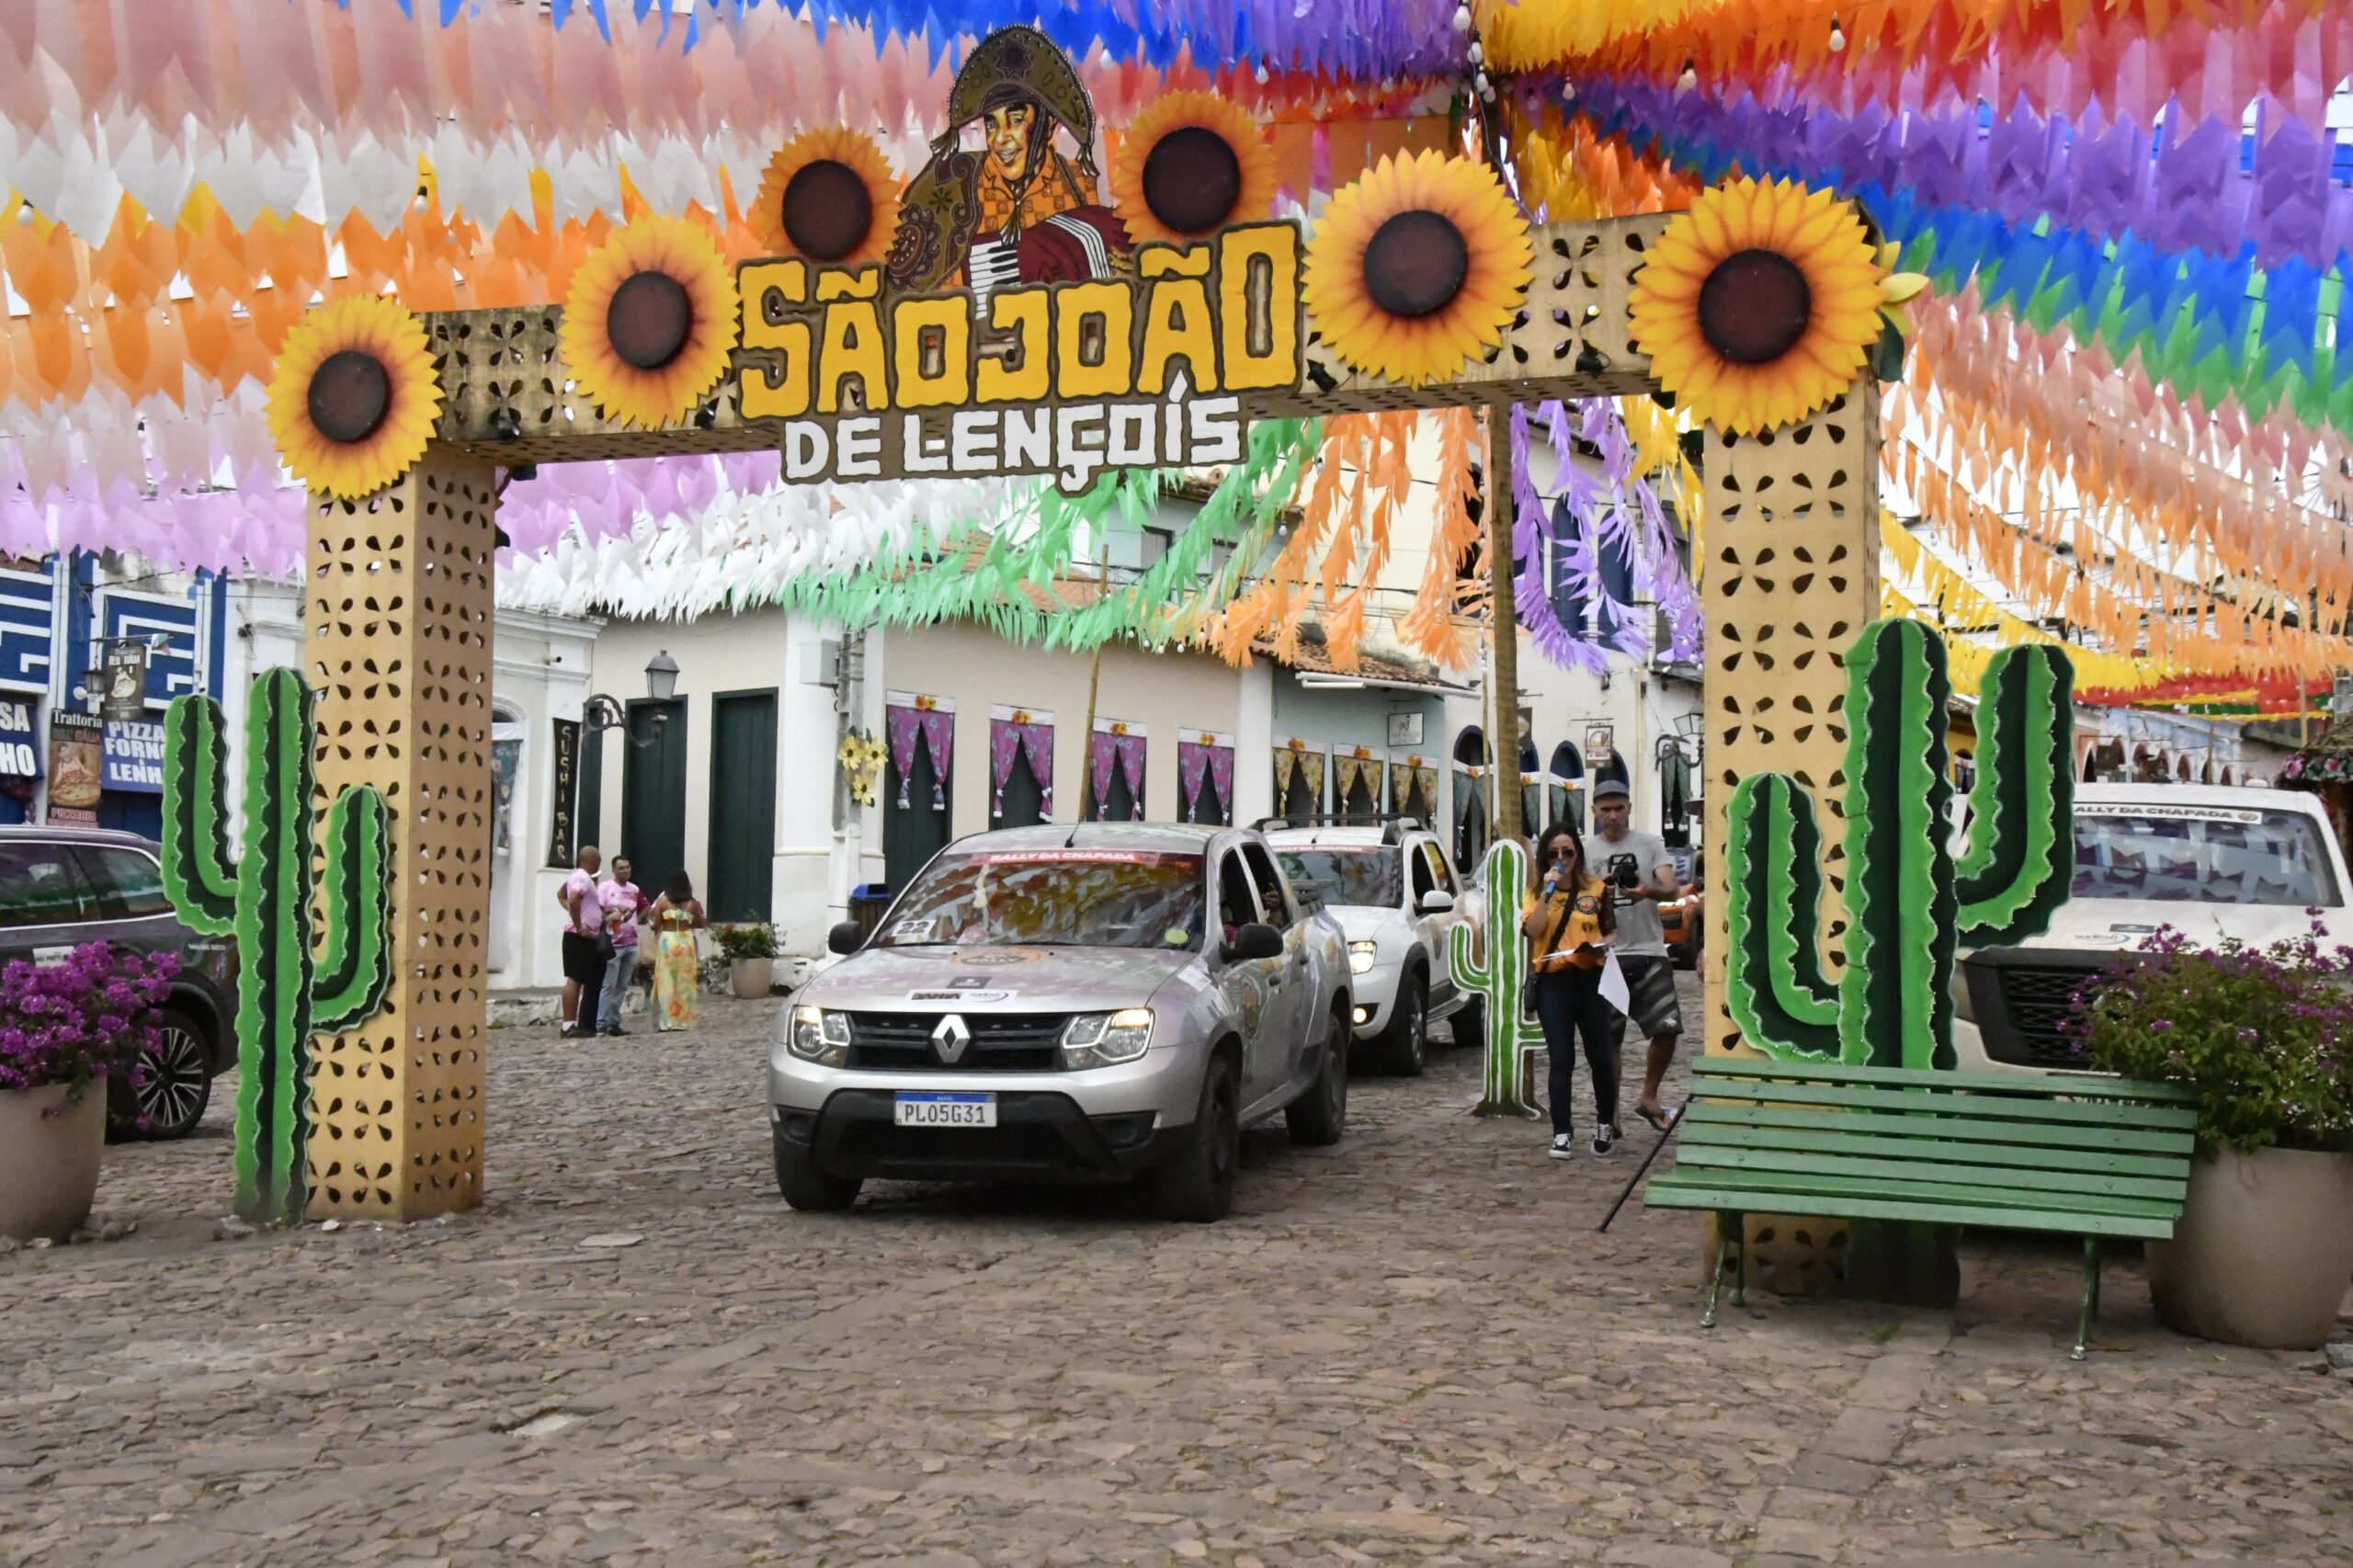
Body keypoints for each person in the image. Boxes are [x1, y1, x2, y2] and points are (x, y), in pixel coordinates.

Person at [883, 25, 1132, 312]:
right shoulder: (950, 184)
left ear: (1047, 125)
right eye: (992, 124)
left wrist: (1130, 279)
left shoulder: (1082, 182)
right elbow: (906, 296)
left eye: (1015, 120)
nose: (1000, 138)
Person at [1520, 822, 1621, 1158]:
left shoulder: (1596, 888)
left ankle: (1605, 1123)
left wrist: (1599, 948)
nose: (1561, 858)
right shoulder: (1536, 891)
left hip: (1590, 978)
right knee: (1561, 1058)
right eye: (1553, 853)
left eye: (1568, 852)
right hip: (1553, 980)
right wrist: (1547, 895)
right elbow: (1533, 931)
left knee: (1601, 1057)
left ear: (1578, 853)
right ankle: (1561, 1131)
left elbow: (1610, 932)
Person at [1590, 778, 1687, 1130]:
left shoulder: (1649, 845)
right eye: (1606, 809)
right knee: (1608, 1039)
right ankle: (1611, 1111)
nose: (1613, 815)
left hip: (1649, 950)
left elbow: (1671, 887)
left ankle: (1649, 1095)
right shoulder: (1584, 851)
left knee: (1668, 1027)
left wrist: (1647, 891)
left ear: (1629, 808)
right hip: (1606, 957)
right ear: (1595, 812)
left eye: (1619, 808)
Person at [557, 846, 608, 1040]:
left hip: (590, 936)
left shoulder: (579, 877)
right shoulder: (582, 877)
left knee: (588, 978)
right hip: (578, 935)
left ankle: (585, 1025)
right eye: (598, 861)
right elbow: (573, 898)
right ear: (592, 860)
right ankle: (568, 1024)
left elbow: (561, 895)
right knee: (575, 978)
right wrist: (579, 924)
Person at [648, 869, 707, 1033]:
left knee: (667, 981)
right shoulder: (692, 904)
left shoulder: (663, 902)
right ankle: (684, 1020)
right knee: (685, 982)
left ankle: (667, 1020)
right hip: (685, 941)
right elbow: (701, 923)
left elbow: (656, 923)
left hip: (668, 941)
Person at [595, 857, 646, 1039]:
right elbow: (598, 908)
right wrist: (611, 915)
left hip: (630, 942)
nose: (625, 871)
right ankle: (601, 1022)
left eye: (627, 867)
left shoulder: (634, 890)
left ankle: (614, 1021)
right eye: (621, 868)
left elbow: (644, 906)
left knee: (622, 985)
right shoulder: (606, 888)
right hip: (613, 942)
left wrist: (636, 920)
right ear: (614, 870)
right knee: (609, 984)